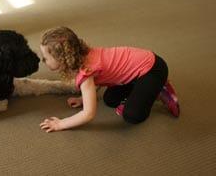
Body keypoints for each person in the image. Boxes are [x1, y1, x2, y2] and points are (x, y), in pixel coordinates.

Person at [39, 26, 180, 133]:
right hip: (141, 69)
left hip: (154, 69)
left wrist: (60, 124)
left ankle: (161, 88)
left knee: (132, 115)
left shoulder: (85, 73)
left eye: (45, 57)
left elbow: (88, 114)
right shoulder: (83, 56)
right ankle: (146, 87)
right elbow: (98, 78)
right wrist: (84, 99)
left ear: (62, 59)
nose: (43, 60)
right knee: (110, 100)